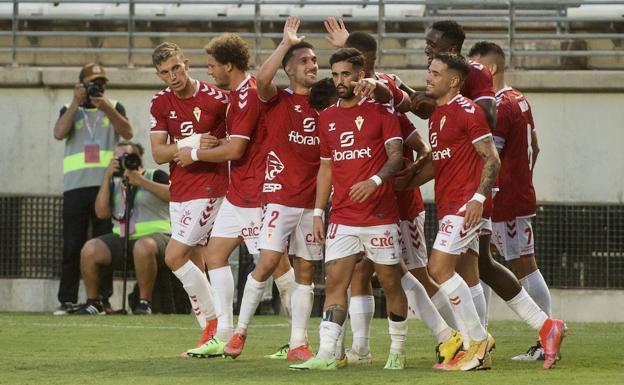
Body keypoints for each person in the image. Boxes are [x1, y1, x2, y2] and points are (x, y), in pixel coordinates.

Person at [324, 21, 461, 365]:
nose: (361, 76)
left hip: (399, 201)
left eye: (366, 66)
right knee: (362, 272)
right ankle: (361, 348)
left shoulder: (382, 87)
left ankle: (453, 335)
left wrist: (413, 175)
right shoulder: (353, 94)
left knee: (413, 272)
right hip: (365, 204)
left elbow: (417, 141)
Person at [174, 33, 291, 358]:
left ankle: (298, 339)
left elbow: (238, 149)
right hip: (237, 192)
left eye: (212, 66)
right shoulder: (237, 95)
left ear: (228, 65)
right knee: (215, 255)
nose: (209, 71)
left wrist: (194, 154)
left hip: (256, 192)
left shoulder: (248, 95)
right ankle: (223, 334)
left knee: (276, 264)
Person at [290, 48, 408, 371]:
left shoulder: (383, 111)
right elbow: (325, 168)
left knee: (391, 283)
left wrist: (374, 180)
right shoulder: (326, 118)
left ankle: (397, 347)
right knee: (334, 283)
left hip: (380, 216)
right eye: (336, 75)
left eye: (346, 74)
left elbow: (396, 157)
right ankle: (329, 352)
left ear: (360, 75)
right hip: (342, 217)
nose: (340, 81)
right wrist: (317, 212)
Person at [222, 17, 322, 362]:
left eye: (314, 60)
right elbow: (261, 80)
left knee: (306, 273)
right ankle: (239, 332)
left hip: (312, 202)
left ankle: (298, 342)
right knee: (265, 263)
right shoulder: (278, 98)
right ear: (290, 70)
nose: (313, 65)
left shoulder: (327, 104)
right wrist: (285, 44)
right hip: (279, 197)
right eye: (305, 61)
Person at [468, 41, 565, 366]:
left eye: (475, 65)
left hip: (504, 199)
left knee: (523, 265)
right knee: (496, 264)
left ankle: (546, 336)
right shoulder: (519, 98)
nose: (469, 71)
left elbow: (489, 157)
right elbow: (534, 147)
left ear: (490, 69)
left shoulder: (498, 105)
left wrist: (494, 191)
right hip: (516, 193)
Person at [411, 52, 499, 371]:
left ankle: (476, 339)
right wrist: (406, 180)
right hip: (449, 204)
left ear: (453, 81)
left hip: (466, 205)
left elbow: (492, 158)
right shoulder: (437, 115)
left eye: (435, 73)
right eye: (429, 71)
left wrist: (477, 198)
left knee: (438, 268)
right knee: (456, 272)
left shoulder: (468, 111)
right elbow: (441, 162)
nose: (428, 76)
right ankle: (479, 351)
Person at [150, 42, 227, 355]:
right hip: (179, 189)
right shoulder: (159, 103)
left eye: (176, 68)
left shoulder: (218, 98)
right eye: (165, 72)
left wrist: (208, 146)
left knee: (173, 256)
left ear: (186, 62)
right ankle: (210, 338)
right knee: (194, 260)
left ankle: (217, 325)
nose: (172, 76)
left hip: (210, 186)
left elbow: (235, 140)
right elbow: (158, 153)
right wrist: (193, 141)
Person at [53, 63, 133, 315]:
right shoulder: (69, 109)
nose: (97, 87)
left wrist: (106, 106)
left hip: (105, 189)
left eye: (101, 82)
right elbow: (58, 133)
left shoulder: (114, 107)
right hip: (75, 189)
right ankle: (66, 300)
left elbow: (128, 133)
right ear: (80, 85)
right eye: (91, 83)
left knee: (104, 245)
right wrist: (76, 102)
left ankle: (103, 299)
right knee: (72, 244)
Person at [77, 141, 171, 315]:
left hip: (158, 238)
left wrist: (141, 181)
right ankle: (93, 302)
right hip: (123, 238)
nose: (120, 160)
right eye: (117, 157)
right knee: (90, 249)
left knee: (143, 246)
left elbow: (173, 195)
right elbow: (101, 213)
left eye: (124, 156)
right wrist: (106, 177)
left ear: (137, 158)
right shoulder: (115, 182)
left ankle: (144, 303)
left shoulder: (154, 175)